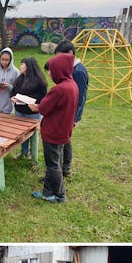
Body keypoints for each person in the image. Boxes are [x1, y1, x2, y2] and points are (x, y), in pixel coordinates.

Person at [29, 53, 78, 203]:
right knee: (56, 161)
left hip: (54, 132)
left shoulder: (59, 89)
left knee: (53, 165)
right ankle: (47, 192)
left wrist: (36, 107)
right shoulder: (72, 85)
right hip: (63, 130)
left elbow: (43, 108)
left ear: (59, 69)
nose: (49, 73)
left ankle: (60, 194)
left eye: (51, 70)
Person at [55, 40, 89, 178]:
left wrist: (74, 118)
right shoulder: (72, 68)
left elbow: (80, 97)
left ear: (70, 54)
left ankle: (65, 168)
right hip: (66, 112)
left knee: (64, 141)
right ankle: (65, 168)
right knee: (65, 140)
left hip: (71, 114)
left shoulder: (79, 71)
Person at [10, 57, 47, 157]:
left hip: (32, 113)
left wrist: (25, 99)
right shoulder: (20, 78)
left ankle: (33, 153)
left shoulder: (39, 80)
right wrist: (13, 97)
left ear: (28, 67)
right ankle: (24, 153)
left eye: (23, 64)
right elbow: (13, 91)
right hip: (19, 111)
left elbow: (42, 97)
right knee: (22, 134)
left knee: (33, 134)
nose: (20, 66)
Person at [0, 47, 20, 114]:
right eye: (2, 59)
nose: (4, 62)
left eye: (7, 60)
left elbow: (18, 90)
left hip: (9, 105)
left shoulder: (16, 72)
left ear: (11, 60)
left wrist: (8, 86)